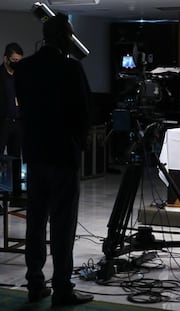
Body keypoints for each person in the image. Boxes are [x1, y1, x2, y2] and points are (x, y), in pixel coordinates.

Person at [14, 13, 94, 306]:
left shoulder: (23, 69)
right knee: (62, 226)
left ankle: (35, 284)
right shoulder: (71, 68)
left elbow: (23, 108)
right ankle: (62, 288)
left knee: (35, 222)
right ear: (64, 37)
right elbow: (85, 114)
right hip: (62, 156)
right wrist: (79, 143)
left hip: (34, 156)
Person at [0, 42, 23, 157]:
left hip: (17, 123)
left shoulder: (21, 77)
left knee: (15, 158)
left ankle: (15, 176)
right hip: (3, 122)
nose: (17, 64)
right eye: (14, 60)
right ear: (6, 59)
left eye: (19, 61)